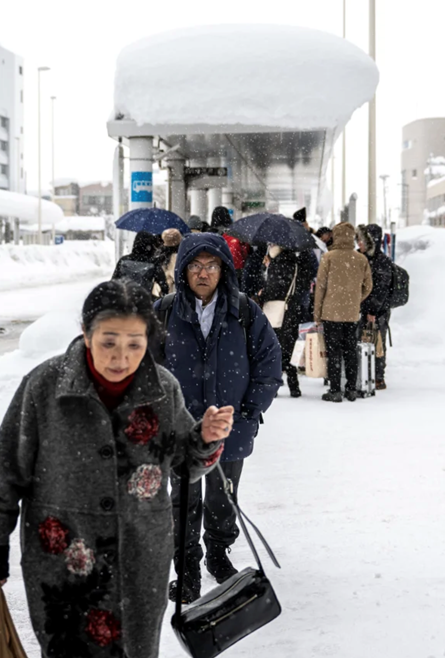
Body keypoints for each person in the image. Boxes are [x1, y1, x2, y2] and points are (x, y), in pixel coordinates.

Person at [0, 280, 233, 658]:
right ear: (86, 332)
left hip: (142, 556)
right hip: (64, 563)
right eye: (108, 342)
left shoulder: (163, 389)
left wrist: (205, 438)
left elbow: (185, 468)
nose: (121, 358)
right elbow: (5, 472)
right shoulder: (44, 386)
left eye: (135, 344)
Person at [155, 233, 282, 602]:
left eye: (211, 265)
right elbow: (146, 368)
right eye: (195, 265)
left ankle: (218, 553)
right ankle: (188, 569)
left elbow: (268, 363)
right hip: (181, 431)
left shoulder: (244, 311)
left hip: (231, 427)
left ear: (223, 269)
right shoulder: (164, 311)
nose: (203, 272)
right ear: (183, 270)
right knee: (183, 500)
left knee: (223, 498)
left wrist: (248, 410)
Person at [313, 222, 373, 403]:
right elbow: (368, 286)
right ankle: (351, 390)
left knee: (334, 353)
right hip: (352, 313)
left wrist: (317, 314)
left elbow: (320, 287)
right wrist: (356, 299)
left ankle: (335, 390)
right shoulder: (361, 259)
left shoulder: (328, 257)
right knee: (351, 351)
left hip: (331, 313)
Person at [260, 243, 313, 398]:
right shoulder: (294, 261)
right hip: (292, 310)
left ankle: (275, 385)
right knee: (289, 348)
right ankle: (294, 385)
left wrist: (262, 294)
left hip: (278, 311)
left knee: (275, 349)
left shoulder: (279, 262)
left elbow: (275, 288)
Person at [357, 224, 394, 391]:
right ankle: (364, 373)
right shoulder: (360, 257)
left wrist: (372, 311)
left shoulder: (382, 262)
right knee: (362, 341)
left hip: (377, 311)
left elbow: (381, 290)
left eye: (363, 241)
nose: (359, 244)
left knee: (377, 342)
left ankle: (378, 376)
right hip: (361, 308)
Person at [113, 231, 169, 298]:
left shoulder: (123, 260)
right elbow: (164, 286)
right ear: (150, 245)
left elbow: (113, 281)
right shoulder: (153, 263)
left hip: (124, 299)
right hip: (143, 301)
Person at [211, 206, 248, 274]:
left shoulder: (210, 234)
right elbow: (245, 251)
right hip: (237, 269)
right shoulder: (235, 234)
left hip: (216, 269)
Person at [155, 228, 182, 295]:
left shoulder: (159, 256)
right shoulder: (177, 257)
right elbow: (176, 278)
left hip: (159, 292)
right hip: (171, 294)